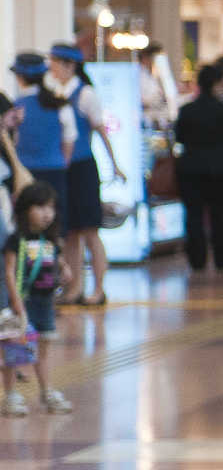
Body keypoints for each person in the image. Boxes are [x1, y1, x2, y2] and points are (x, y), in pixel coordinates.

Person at [47, 45, 124, 306]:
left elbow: (101, 131)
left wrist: (115, 164)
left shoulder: (86, 94)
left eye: (55, 63)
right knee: (70, 232)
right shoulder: (56, 93)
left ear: (70, 65)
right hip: (64, 169)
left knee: (90, 231)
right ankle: (73, 288)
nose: (51, 68)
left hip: (83, 168)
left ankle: (99, 288)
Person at [174, 60, 223, 272]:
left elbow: (179, 136)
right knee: (221, 215)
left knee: (194, 215)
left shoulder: (187, 110)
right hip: (221, 167)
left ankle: (197, 259)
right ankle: (222, 259)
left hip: (191, 167)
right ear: (216, 84)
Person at [2, 182, 69, 415]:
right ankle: (10, 395)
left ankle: (47, 391)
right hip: (20, 303)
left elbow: (56, 260)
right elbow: (9, 270)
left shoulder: (49, 239)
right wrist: (15, 299)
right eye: (40, 207)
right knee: (14, 350)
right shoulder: (16, 239)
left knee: (43, 350)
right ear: (25, 209)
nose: (46, 213)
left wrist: (65, 268)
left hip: (44, 303)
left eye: (50, 207)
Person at [11, 54, 74, 238]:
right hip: (55, 171)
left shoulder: (16, 107)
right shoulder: (60, 104)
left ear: (19, 77)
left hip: (24, 175)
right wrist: (61, 163)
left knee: (25, 226)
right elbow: (69, 140)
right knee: (55, 225)